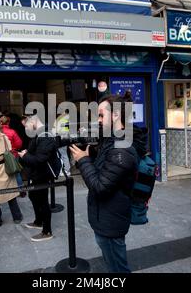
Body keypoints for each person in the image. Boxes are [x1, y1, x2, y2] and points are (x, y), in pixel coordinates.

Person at [69, 93, 146, 273]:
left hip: (111, 222)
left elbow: (100, 187)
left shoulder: (123, 149)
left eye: (102, 115)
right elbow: (106, 166)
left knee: (118, 269)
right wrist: (89, 152)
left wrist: (83, 161)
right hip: (106, 216)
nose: (98, 119)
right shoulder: (111, 140)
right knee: (113, 264)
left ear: (116, 115)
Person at [18, 115, 57, 242]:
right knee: (34, 196)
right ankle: (38, 221)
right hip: (36, 174)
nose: (26, 130)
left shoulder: (45, 135)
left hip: (42, 174)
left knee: (42, 201)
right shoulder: (38, 134)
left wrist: (25, 156)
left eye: (27, 126)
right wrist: (26, 154)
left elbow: (40, 160)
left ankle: (47, 231)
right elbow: (35, 153)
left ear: (32, 121)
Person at [52, 109, 71, 176]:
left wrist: (56, 132)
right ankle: (64, 170)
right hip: (61, 139)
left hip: (61, 139)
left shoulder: (63, 120)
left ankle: (66, 170)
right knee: (63, 155)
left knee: (63, 155)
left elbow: (64, 131)